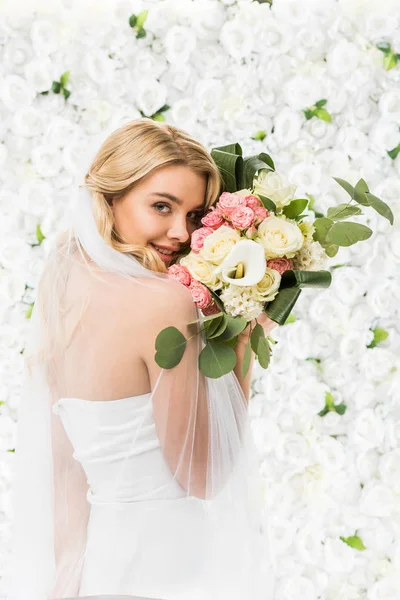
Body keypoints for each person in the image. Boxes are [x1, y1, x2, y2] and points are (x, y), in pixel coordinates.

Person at [6, 118, 277, 600]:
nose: (180, 232)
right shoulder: (164, 303)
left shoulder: (64, 276)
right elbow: (203, 477)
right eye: (161, 206)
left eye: (196, 216)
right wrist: (248, 340)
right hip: (169, 564)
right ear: (110, 197)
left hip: (103, 562)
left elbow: (65, 460)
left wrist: (69, 575)